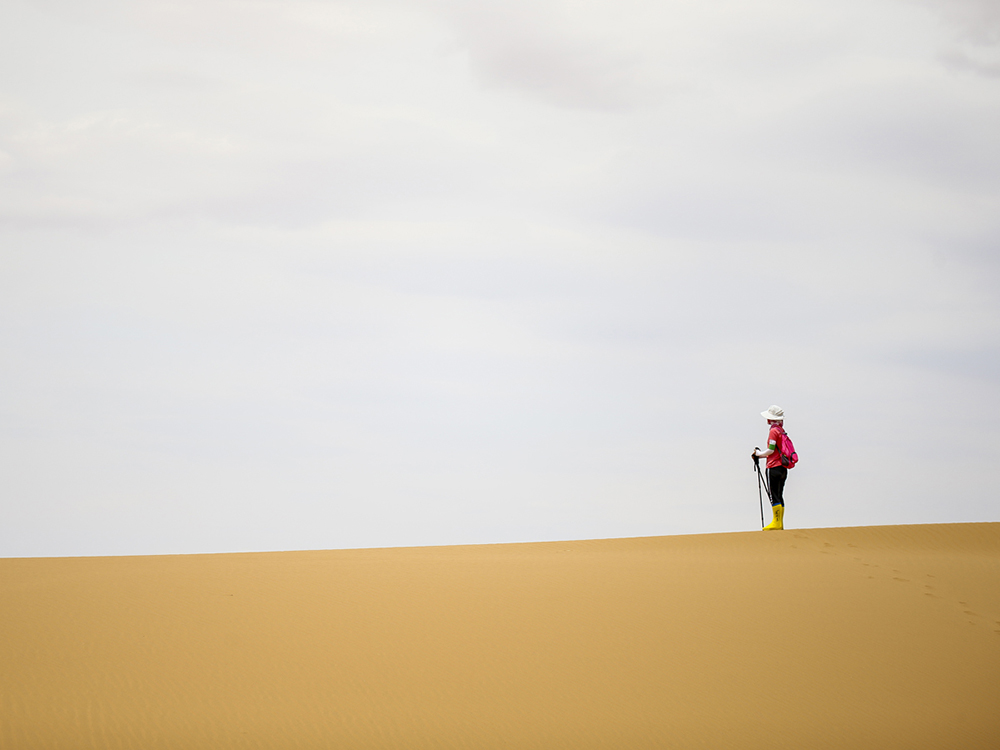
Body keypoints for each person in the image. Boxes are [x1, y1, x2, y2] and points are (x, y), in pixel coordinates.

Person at [752, 405, 787, 530]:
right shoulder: (781, 431)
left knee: (774, 495)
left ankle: (776, 522)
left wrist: (758, 454)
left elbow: (771, 450)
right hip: (783, 467)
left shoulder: (773, 431)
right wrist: (761, 455)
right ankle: (779, 522)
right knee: (779, 494)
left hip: (773, 467)